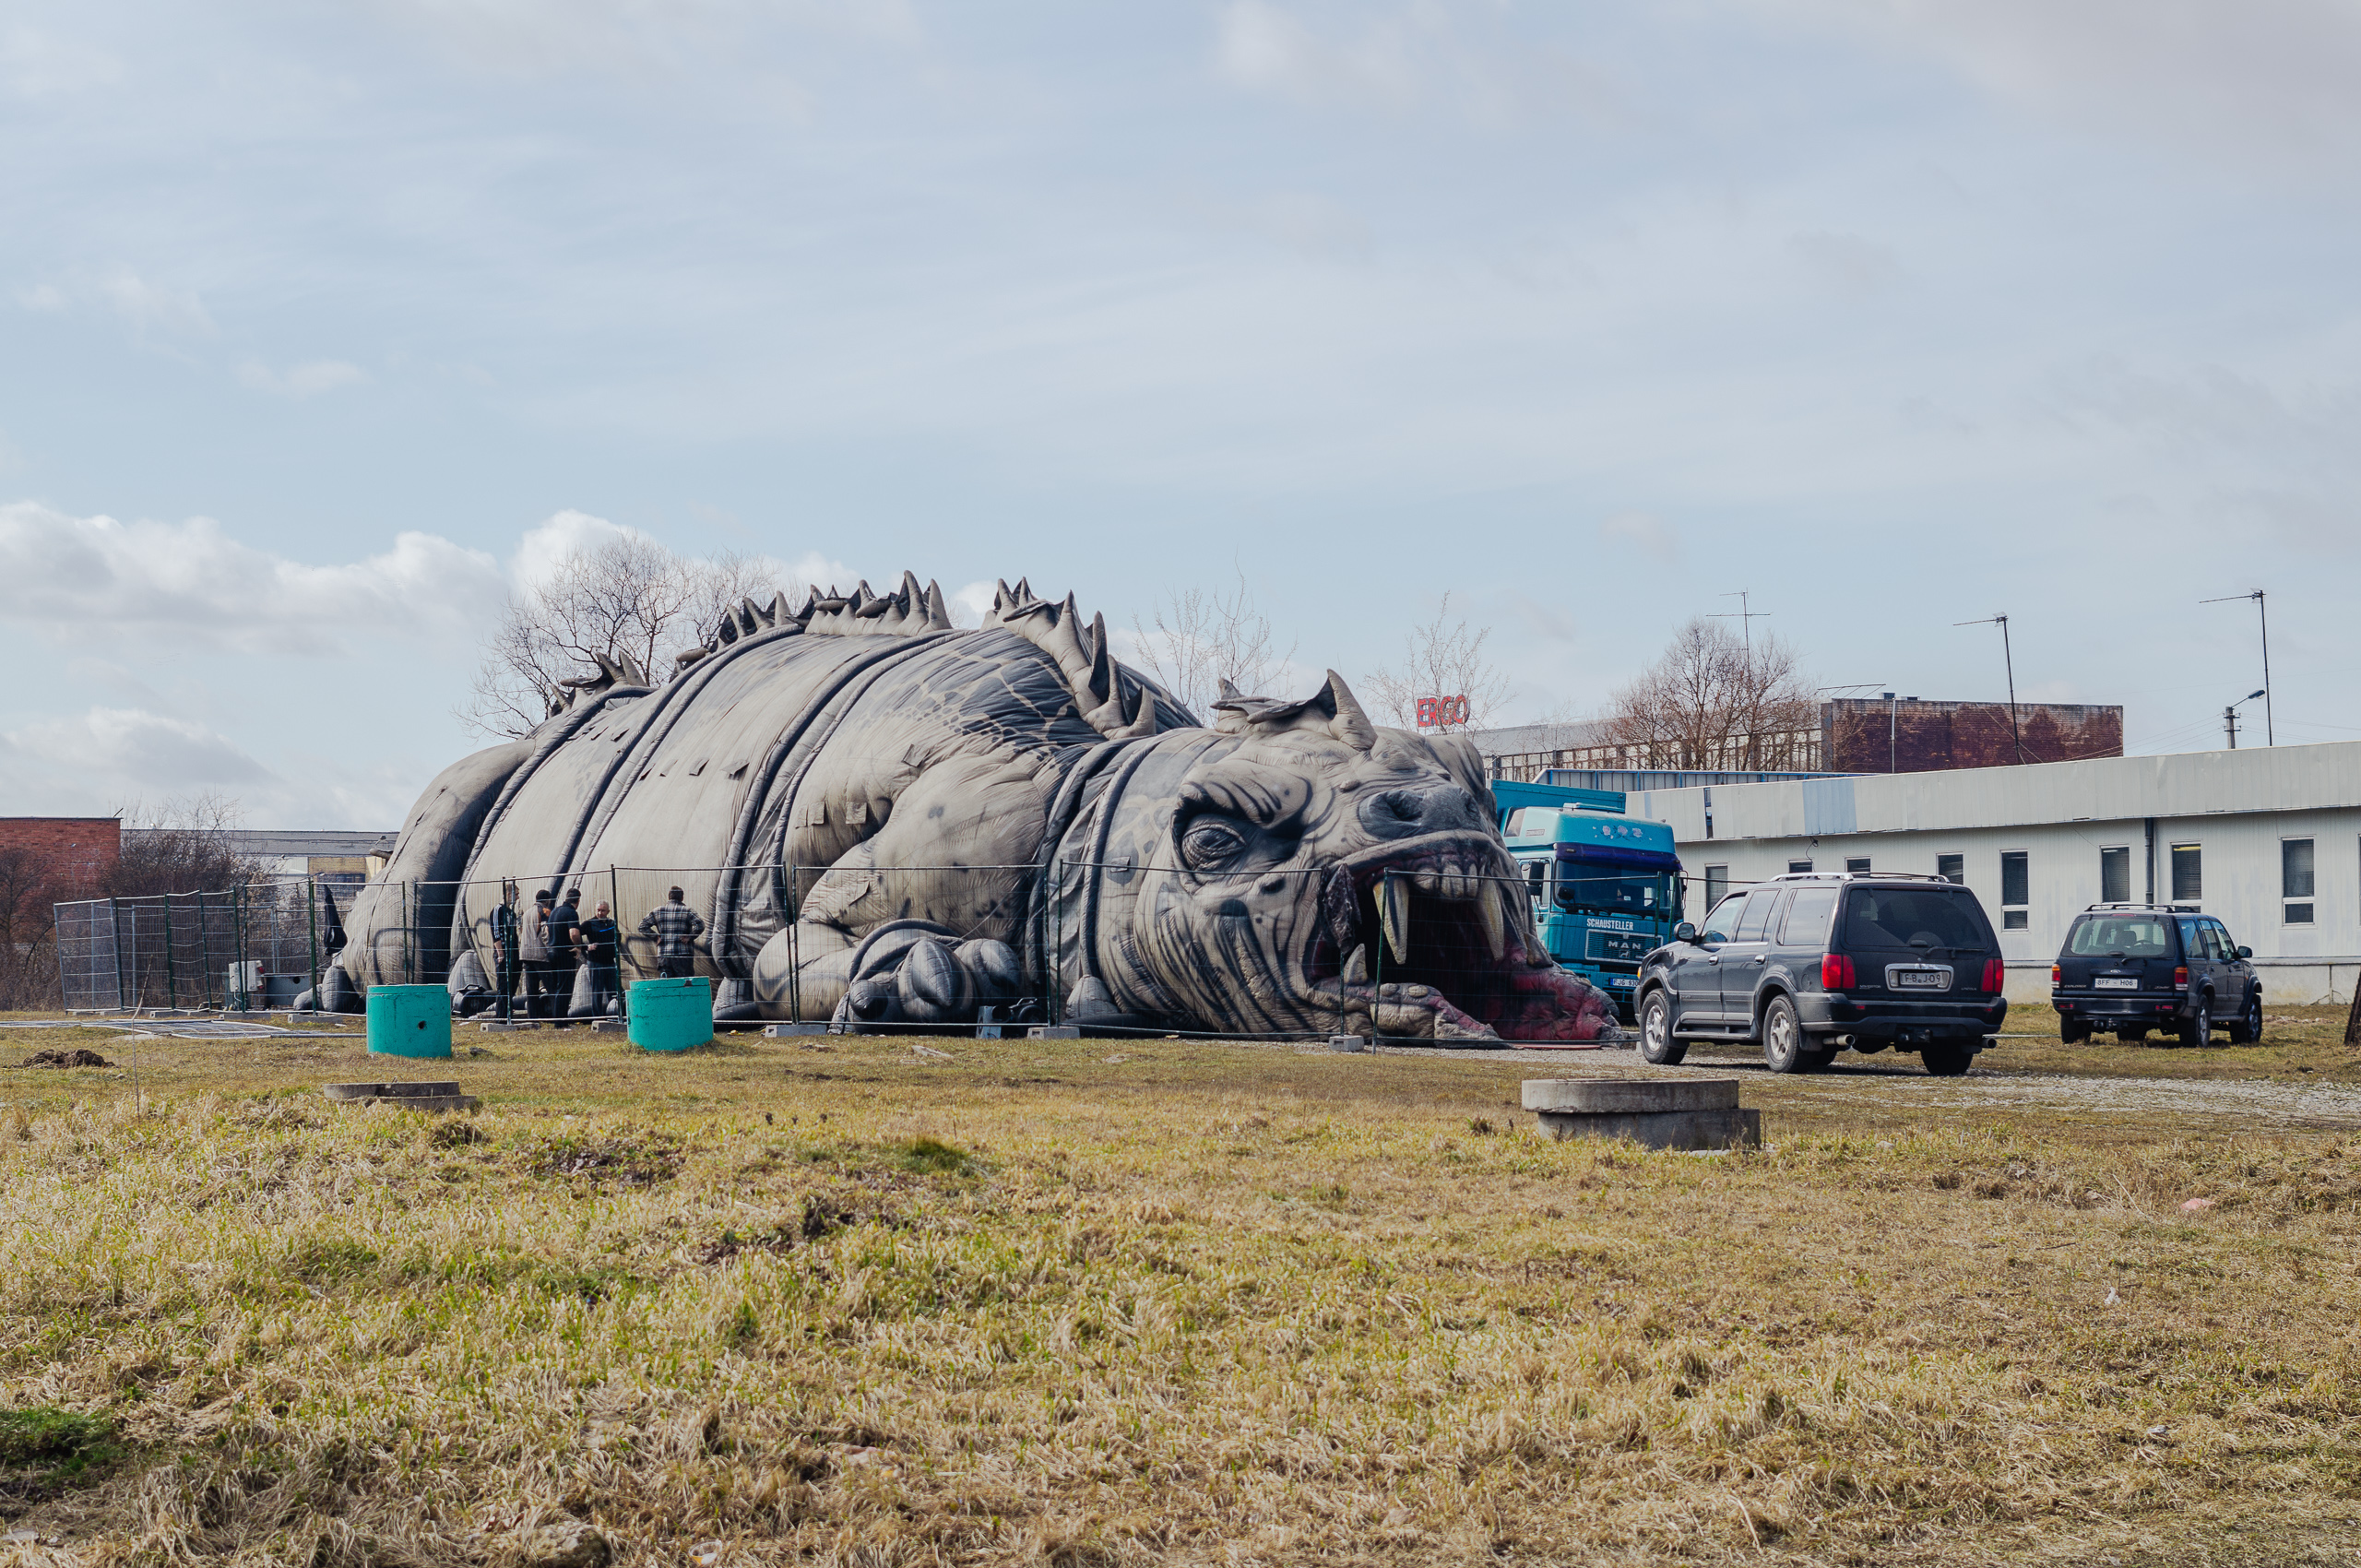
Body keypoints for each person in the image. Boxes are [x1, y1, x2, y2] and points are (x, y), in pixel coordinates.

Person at [638, 885, 706, 979]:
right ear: (682, 897)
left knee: (667, 986)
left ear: (669, 896)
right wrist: (690, 937)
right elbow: (700, 925)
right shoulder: (688, 911)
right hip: (683, 955)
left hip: (664, 955)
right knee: (685, 984)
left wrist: (655, 937)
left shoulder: (657, 911)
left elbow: (642, 926)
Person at [575, 898, 621, 1016]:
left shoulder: (611, 924)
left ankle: (614, 1014)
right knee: (597, 991)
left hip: (610, 962)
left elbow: (618, 937)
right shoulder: (589, 924)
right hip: (596, 962)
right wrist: (585, 947)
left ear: (608, 911)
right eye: (598, 910)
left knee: (613, 990)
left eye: (603, 911)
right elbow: (575, 935)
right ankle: (598, 1016)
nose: (600, 913)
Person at [518, 888, 556, 1018]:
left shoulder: (527, 913)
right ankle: (558, 1016)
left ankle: (533, 1017)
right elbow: (546, 933)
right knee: (551, 987)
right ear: (547, 900)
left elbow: (521, 932)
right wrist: (550, 949)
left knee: (531, 990)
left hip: (525, 954)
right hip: (539, 955)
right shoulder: (545, 911)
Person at [547, 885, 581, 1017]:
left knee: (556, 988)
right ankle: (561, 1021)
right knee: (565, 988)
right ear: (578, 901)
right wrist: (578, 947)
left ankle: (557, 1018)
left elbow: (547, 931)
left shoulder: (555, 911)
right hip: (564, 953)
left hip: (552, 951)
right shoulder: (571, 912)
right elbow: (574, 933)